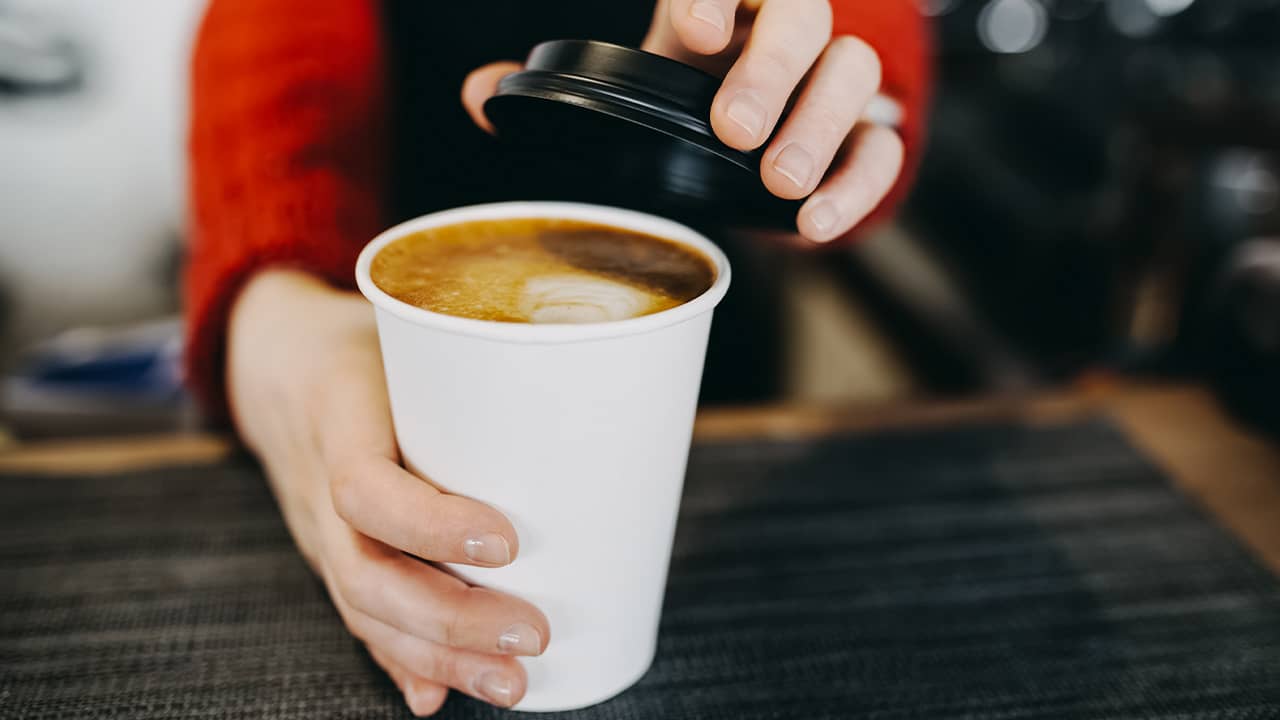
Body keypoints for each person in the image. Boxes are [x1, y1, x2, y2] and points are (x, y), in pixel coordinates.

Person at [184, 0, 931, 714]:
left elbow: (853, 31)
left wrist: (821, 83)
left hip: (698, 318)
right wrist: (278, 303)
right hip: (399, 279)